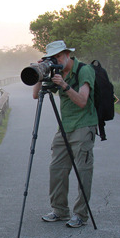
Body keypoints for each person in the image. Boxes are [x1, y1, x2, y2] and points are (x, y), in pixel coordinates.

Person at [32, 40, 97, 228]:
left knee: (83, 171)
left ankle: (80, 215)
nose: (57, 60)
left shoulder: (84, 70)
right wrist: (39, 72)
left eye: (59, 56)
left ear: (68, 54)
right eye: (53, 57)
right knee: (56, 169)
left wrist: (65, 86)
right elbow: (36, 96)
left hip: (84, 125)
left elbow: (83, 101)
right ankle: (60, 211)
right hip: (65, 127)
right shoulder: (56, 72)